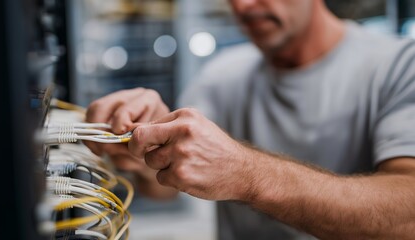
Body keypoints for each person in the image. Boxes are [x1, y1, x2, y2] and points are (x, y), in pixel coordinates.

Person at [84, 0, 415, 239]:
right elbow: (166, 190)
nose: (242, 6)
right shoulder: (223, 75)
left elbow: (407, 218)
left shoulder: (399, 66)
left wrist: (245, 173)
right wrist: (142, 146)